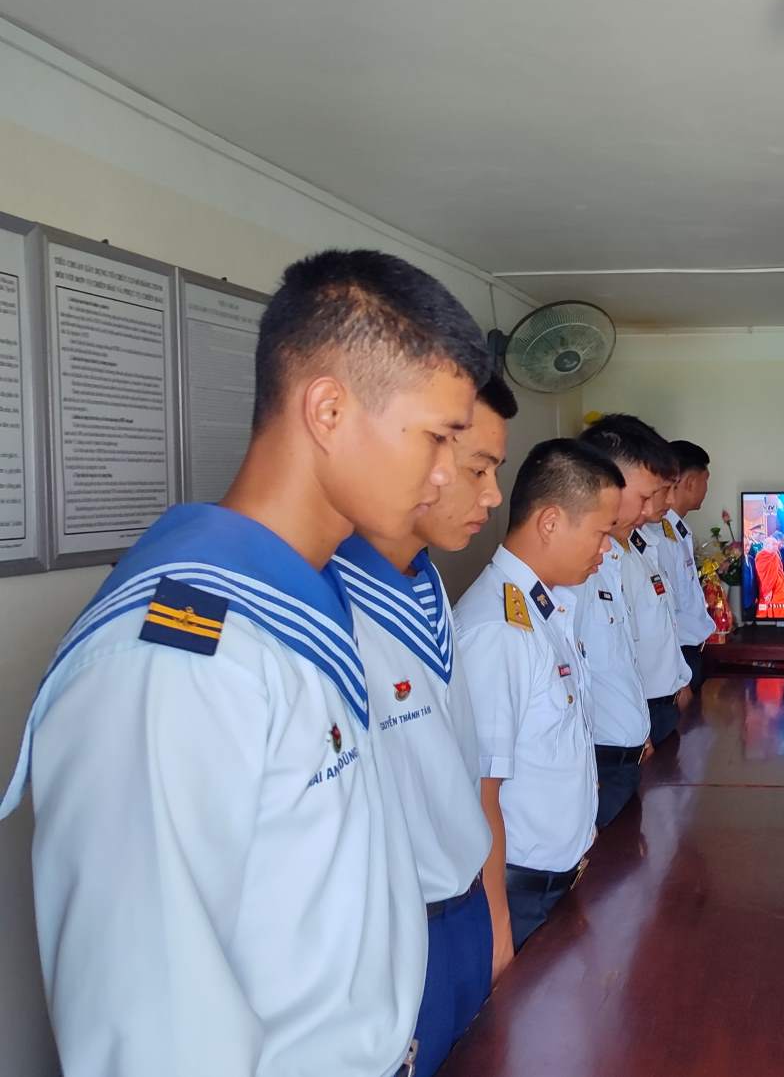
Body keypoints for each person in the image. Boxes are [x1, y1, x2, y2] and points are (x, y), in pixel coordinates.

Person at [0, 249, 490, 1077]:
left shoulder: (301, 603)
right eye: (438, 437)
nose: (448, 474)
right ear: (328, 410)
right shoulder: (178, 658)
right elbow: (150, 1027)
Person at [331, 372, 517, 1074]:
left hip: (461, 912)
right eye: (478, 468)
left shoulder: (426, 579)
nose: (492, 495)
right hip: (396, 937)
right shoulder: (324, 597)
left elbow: (462, 776)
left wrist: (492, 913)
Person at [456, 439, 623, 950]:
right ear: (550, 522)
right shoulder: (498, 630)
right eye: (600, 533)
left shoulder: (544, 610)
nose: (607, 549)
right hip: (519, 895)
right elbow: (480, 796)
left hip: (557, 881)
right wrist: (498, 929)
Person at [576, 417, 668, 826]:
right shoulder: (571, 574)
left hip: (622, 757)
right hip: (594, 768)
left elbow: (619, 662)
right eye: (644, 497)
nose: (649, 512)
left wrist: (638, 728)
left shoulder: (614, 559)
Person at [622, 431, 694, 744]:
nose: (668, 501)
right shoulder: (602, 564)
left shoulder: (642, 547)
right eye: (656, 492)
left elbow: (666, 625)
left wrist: (681, 678)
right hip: (635, 718)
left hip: (659, 703)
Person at [665, 440, 717, 692]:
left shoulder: (678, 531)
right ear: (691, 482)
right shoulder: (660, 538)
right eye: (706, 480)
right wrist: (678, 679)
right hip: (679, 659)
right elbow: (664, 617)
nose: (707, 489)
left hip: (689, 656)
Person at [756, 537, 784, 618]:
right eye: (773, 544)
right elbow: (762, 575)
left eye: (776, 544)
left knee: (781, 610)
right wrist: (768, 590)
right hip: (769, 589)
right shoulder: (761, 556)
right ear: (766, 545)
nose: (776, 546)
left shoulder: (775, 555)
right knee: (769, 609)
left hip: (780, 589)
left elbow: (780, 569)